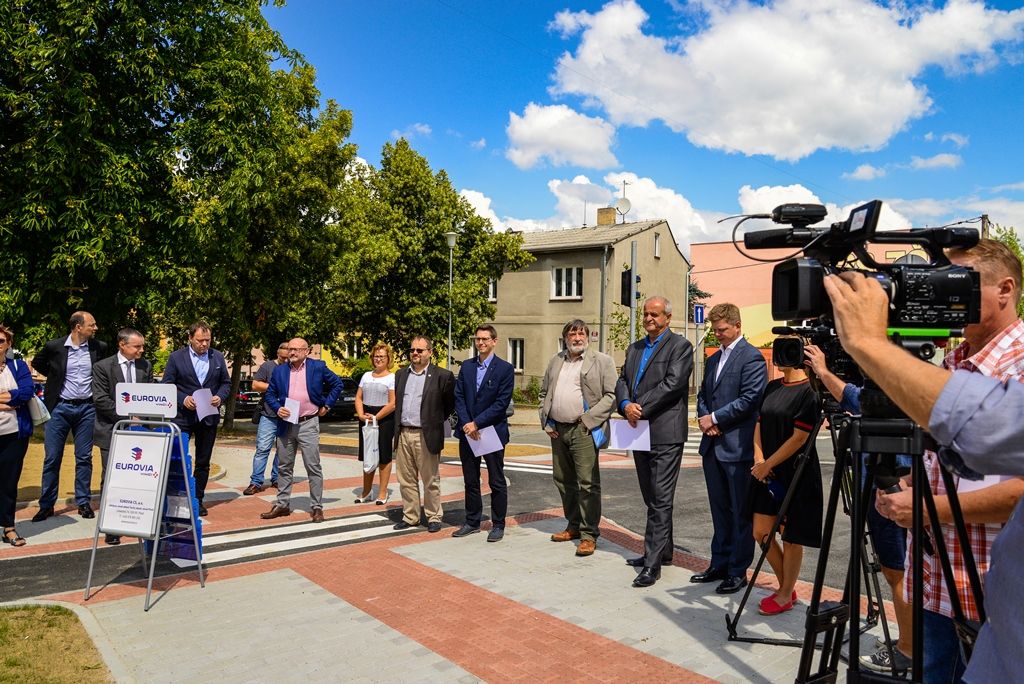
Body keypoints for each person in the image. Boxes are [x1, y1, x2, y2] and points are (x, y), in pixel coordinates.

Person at [823, 269, 1024, 684]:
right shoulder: (950, 362)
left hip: (987, 582)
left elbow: (1018, 491)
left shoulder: (1019, 363)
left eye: (960, 282)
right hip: (934, 577)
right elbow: (939, 459)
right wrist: (910, 484)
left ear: (1005, 289)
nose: (942, 295)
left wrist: (928, 511)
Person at [805, 343, 914, 672]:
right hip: (888, 486)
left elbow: (856, 398)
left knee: (898, 571)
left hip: (890, 489)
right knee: (899, 570)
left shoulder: (891, 384)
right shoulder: (896, 381)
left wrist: (823, 371)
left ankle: (908, 650)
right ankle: (910, 639)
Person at [615, 296, 693, 587]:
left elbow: (672, 384)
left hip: (665, 432)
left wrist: (639, 408)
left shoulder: (680, 346)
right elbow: (623, 380)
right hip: (638, 431)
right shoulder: (635, 348)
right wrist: (625, 404)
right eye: (646, 313)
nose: (648, 318)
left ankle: (652, 564)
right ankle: (664, 551)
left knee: (660, 498)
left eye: (655, 314)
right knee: (651, 496)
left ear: (667, 318)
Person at [694, 303, 767, 594]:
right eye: (714, 330)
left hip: (737, 449)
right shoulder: (713, 359)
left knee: (740, 513)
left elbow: (750, 399)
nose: (718, 334)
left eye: (722, 329)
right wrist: (706, 419)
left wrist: (715, 418)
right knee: (719, 510)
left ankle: (737, 571)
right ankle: (719, 564)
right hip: (712, 446)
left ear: (737, 326)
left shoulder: (752, 357)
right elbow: (703, 394)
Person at [747, 343, 822, 615]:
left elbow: (799, 438)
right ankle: (786, 589)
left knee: (791, 536)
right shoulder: (772, 387)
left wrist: (768, 464)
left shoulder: (810, 392)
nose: (780, 355)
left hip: (796, 472)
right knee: (761, 532)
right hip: (765, 471)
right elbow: (758, 424)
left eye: (788, 349)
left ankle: (784, 594)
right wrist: (759, 460)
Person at [539, 319, 617, 557]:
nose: (577, 338)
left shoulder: (602, 361)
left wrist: (589, 419)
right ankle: (573, 525)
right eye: (572, 334)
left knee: (587, 483)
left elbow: (611, 395)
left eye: (581, 333)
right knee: (563, 480)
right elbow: (544, 393)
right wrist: (546, 420)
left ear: (588, 336)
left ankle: (589, 534)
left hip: (583, 430)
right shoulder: (556, 360)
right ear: (565, 338)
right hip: (557, 430)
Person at [32, 311, 109, 522]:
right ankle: (46, 505)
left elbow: (102, 372)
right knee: (52, 457)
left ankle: (83, 502)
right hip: (59, 408)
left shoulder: (98, 347)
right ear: (78, 327)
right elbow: (38, 363)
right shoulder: (54, 346)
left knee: (84, 457)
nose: (96, 328)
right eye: (92, 325)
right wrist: (55, 376)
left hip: (87, 409)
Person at [260, 338, 341, 523]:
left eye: (296, 349)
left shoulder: (318, 367)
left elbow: (337, 384)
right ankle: (282, 504)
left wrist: (327, 405)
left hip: (308, 423)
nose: (292, 352)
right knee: (284, 466)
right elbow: (270, 394)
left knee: (313, 466)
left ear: (307, 351)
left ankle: (316, 506)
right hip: (286, 423)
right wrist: (277, 408)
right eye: (290, 349)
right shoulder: (280, 370)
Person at [162, 321, 231, 516]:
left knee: (203, 461)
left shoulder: (217, 357)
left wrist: (220, 397)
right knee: (178, 459)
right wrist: (183, 399)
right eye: (200, 340)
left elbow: (226, 383)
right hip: (182, 418)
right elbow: (167, 385)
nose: (204, 344)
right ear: (190, 338)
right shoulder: (176, 357)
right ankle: (177, 498)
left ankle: (197, 499)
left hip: (208, 417)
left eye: (208, 340)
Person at [453, 324, 514, 542]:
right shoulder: (467, 367)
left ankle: (498, 524)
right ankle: (472, 521)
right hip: (467, 432)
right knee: (470, 480)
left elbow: (501, 404)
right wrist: (467, 423)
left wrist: (477, 423)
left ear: (494, 341)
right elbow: (459, 396)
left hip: (491, 432)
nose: (480, 343)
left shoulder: (505, 369)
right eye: (478, 339)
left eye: (485, 339)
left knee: (496, 481)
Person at [91, 328, 153, 545]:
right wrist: (128, 417)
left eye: (142, 346)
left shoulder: (145, 366)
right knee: (111, 478)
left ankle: (135, 520)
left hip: (140, 433)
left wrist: (143, 419)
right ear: (122, 344)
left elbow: (149, 395)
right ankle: (111, 526)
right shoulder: (102, 367)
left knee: (137, 477)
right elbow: (101, 399)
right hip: (111, 430)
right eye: (137, 346)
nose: (141, 350)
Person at [392, 336, 455, 532]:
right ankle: (410, 516)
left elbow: (448, 405)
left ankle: (434, 516)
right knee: (406, 479)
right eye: (412, 350)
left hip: (426, 435)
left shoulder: (442, 376)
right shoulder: (401, 374)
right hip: (404, 432)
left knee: (430, 479)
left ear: (430, 352)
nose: (415, 353)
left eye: (419, 350)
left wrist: (433, 422)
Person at [0, 326, 38, 546]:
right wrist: (8, 402)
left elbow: (26, 392)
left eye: (1, 341)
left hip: (14, 435)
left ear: (8, 344)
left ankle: (9, 527)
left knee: (8, 482)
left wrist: (13, 398)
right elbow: (18, 397)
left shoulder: (18, 366)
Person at [243, 342, 289, 495]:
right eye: (282, 358)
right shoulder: (268, 366)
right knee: (262, 449)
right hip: (269, 415)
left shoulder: (294, 367)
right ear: (278, 354)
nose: (285, 360)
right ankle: (256, 482)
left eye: (288, 358)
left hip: (287, 415)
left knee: (282, 450)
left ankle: (276, 478)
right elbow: (255, 385)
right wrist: (275, 387)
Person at [355, 343, 396, 504]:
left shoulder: (392, 378)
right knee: (367, 455)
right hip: (366, 418)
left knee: (383, 456)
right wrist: (360, 415)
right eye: (376, 356)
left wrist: (377, 417)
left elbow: (393, 403)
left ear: (388, 358)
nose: (378, 359)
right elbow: (359, 397)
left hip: (384, 419)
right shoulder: (366, 376)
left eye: (382, 356)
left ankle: (382, 492)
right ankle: (366, 491)